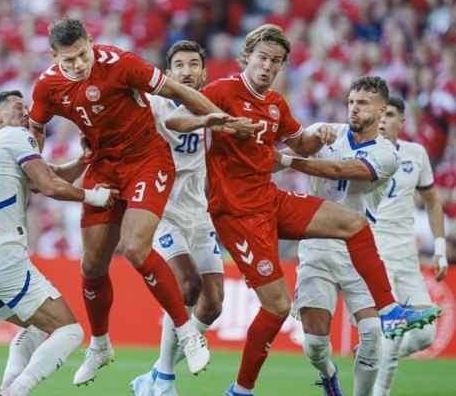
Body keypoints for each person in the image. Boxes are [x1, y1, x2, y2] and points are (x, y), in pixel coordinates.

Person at [165, 24, 441, 396]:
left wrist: (314, 139)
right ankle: (241, 389)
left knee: (354, 222)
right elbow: (174, 120)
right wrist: (216, 120)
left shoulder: (277, 104)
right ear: (247, 57)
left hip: (269, 199)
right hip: (236, 213)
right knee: (278, 307)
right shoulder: (222, 91)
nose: (267, 66)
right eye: (262, 58)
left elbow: (299, 142)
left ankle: (389, 309)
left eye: (275, 61)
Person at [28, 16, 255, 386]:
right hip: (103, 167)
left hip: (147, 159)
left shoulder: (122, 63)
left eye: (82, 55)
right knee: (91, 266)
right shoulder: (48, 86)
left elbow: (177, 96)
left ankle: (186, 333)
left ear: (91, 40)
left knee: (135, 247)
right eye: (68, 60)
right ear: (54, 56)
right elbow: (35, 128)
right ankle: (100, 345)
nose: (78, 65)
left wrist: (221, 120)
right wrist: (33, 160)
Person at [0, 90, 117, 396]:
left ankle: (6, 386)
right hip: (3, 259)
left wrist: (84, 159)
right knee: (70, 331)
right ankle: (15, 391)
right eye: (19, 107)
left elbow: (48, 176)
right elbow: (48, 186)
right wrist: (94, 197)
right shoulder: (14, 136)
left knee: (35, 326)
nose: (27, 114)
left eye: (28, 108)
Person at [280, 76, 398, 396]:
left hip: (360, 247)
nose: (354, 109)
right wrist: (311, 137)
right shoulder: (326, 133)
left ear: (382, 110)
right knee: (315, 346)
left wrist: (289, 160)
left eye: (363, 103)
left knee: (373, 335)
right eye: (351, 102)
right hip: (317, 245)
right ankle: (328, 373)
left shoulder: (387, 154)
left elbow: (340, 171)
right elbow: (292, 143)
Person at [130, 41, 225, 396]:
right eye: (179, 65)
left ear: (204, 72)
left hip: (198, 213)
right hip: (162, 211)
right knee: (188, 284)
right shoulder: (155, 104)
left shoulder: (214, 102)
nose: (186, 71)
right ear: (168, 75)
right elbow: (174, 120)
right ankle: (166, 380)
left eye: (193, 64)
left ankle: (153, 374)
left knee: (213, 304)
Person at [372, 96, 449, 396]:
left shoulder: (415, 154)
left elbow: (432, 203)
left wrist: (440, 250)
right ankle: (379, 389)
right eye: (379, 113)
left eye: (390, 114)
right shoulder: (359, 150)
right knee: (394, 331)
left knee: (425, 335)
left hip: (407, 258)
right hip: (376, 255)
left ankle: (373, 353)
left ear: (401, 122)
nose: (382, 119)